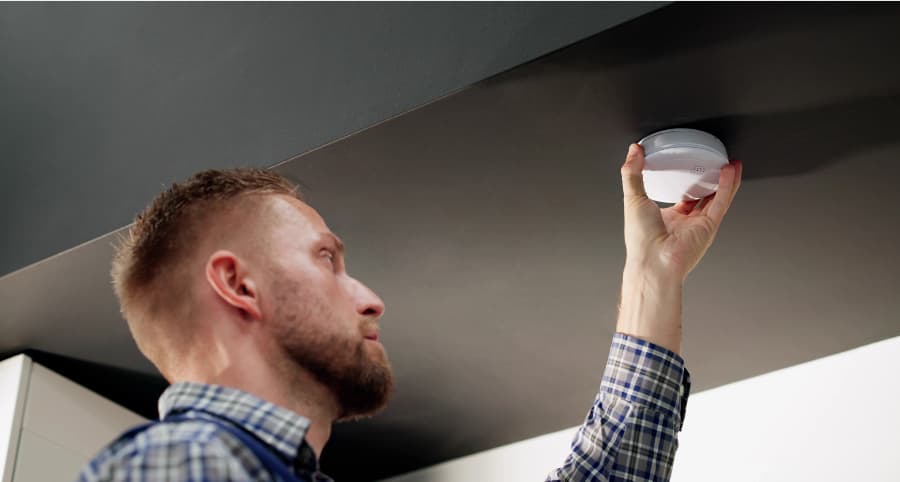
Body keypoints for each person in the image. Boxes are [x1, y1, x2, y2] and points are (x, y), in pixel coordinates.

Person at [77, 144, 742, 481]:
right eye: (327, 260)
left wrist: (653, 275)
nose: (370, 298)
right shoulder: (186, 463)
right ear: (237, 284)